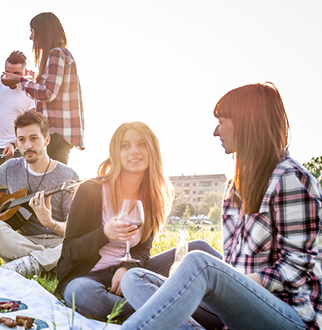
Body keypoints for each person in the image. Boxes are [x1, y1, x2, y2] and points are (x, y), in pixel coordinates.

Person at [120, 83, 322, 330]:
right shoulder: (235, 185)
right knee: (134, 278)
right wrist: (208, 287)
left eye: (222, 121)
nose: (216, 132)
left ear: (247, 122)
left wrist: (227, 283)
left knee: (200, 264)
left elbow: (296, 267)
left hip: (289, 317)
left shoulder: (290, 178)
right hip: (238, 312)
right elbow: (236, 262)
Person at [54, 122, 222, 324]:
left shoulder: (152, 196)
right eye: (125, 146)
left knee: (199, 249)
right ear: (116, 152)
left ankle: (246, 295)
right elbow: (70, 250)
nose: (134, 151)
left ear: (152, 150)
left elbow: (143, 250)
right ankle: (199, 315)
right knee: (80, 293)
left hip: (132, 275)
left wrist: (125, 268)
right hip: (90, 277)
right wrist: (104, 233)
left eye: (141, 144)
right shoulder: (91, 190)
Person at [0, 111, 79, 276]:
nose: (27, 146)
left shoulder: (68, 176)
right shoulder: (12, 168)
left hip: (58, 241)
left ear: (46, 140)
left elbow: (75, 229)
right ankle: (48, 263)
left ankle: (30, 264)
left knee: (77, 243)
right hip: (24, 241)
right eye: (21, 140)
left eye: (34, 138)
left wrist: (50, 223)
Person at [0, 12, 84, 165]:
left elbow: (48, 92)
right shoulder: (60, 55)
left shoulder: (56, 54)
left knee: (54, 182)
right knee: (54, 180)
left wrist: (19, 81)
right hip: (60, 131)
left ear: (43, 32)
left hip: (56, 131)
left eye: (32, 32)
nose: (31, 38)